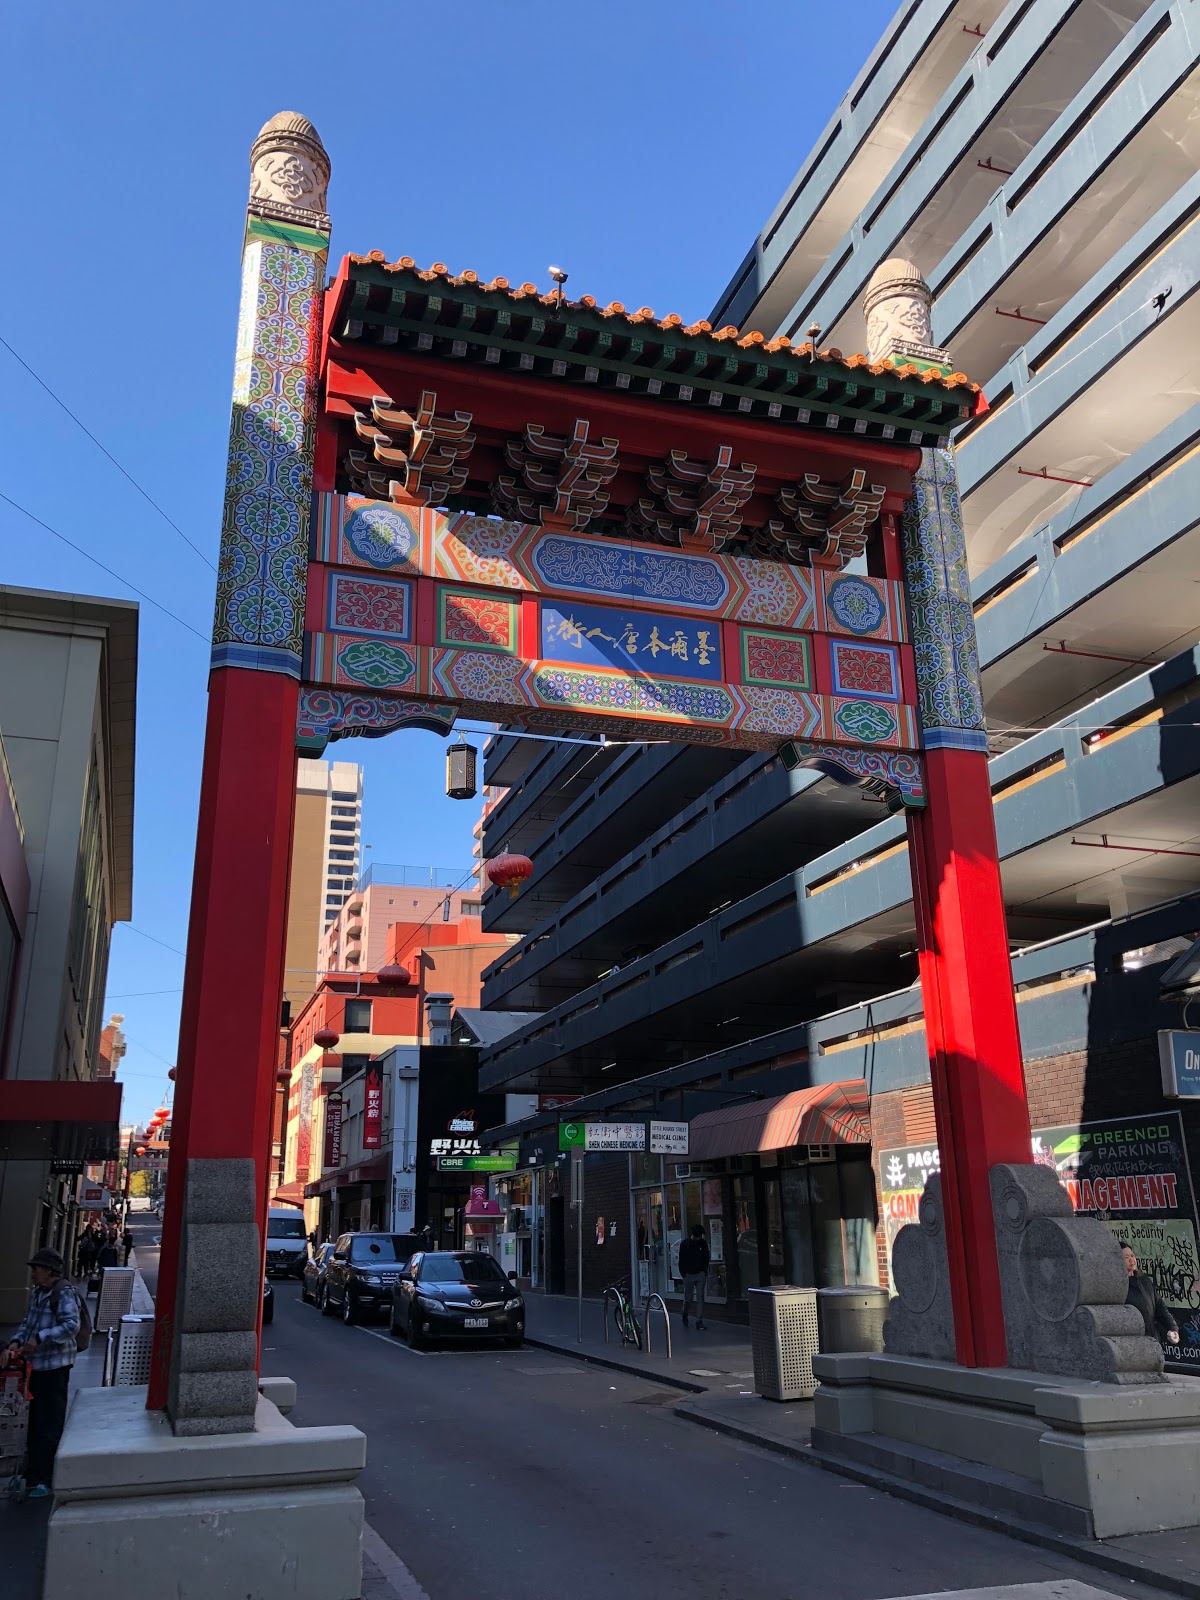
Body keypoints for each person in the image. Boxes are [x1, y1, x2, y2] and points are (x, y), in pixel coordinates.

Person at [3, 1247, 82, 1498]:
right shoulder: (39, 1294)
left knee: (50, 1422)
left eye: (37, 1269)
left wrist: (40, 1338)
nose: (33, 1274)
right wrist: (15, 1342)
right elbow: (28, 1322)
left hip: (55, 1366)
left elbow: (71, 1325)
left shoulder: (64, 1293)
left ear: (50, 1271)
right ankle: (31, 1474)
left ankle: (45, 1478)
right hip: (35, 1367)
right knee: (34, 1422)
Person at [1120, 1242, 1180, 1345]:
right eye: (1126, 1257)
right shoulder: (1118, 1286)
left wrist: (1172, 1327)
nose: (1131, 1260)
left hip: (1152, 1339)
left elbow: (1160, 1307)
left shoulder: (1145, 1281)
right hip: (1131, 1341)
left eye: (1132, 1255)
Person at [678, 1224, 710, 1331]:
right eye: (698, 1236)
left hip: (700, 1274)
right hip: (689, 1275)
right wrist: (684, 1275)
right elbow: (681, 1261)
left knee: (700, 1297)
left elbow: (706, 1258)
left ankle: (699, 1320)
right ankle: (685, 1313)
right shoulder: (685, 1244)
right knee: (688, 1298)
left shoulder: (703, 1244)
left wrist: (704, 1271)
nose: (699, 1238)